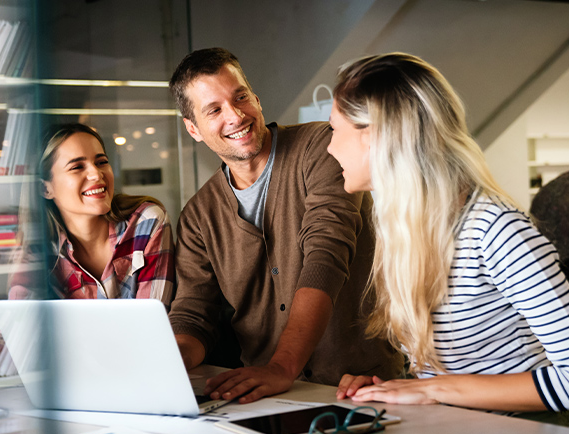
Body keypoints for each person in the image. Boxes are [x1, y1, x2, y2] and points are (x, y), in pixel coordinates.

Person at [328, 52, 569, 434]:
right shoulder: (409, 229)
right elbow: (457, 370)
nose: (329, 147)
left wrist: (432, 389)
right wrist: (394, 387)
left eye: (334, 130)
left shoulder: (495, 230)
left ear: (373, 137)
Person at [168, 48, 403, 405]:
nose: (235, 115)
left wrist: (282, 366)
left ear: (257, 100)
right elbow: (193, 313)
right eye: (214, 110)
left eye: (240, 97)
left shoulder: (323, 148)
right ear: (193, 129)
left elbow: (326, 256)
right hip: (265, 397)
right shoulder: (198, 217)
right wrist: (168, 362)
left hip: (362, 385)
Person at [0, 123, 175, 387]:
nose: (96, 174)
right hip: (79, 384)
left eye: (101, 162)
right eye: (77, 167)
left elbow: (152, 328)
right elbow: (17, 327)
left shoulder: (146, 222)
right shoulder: (37, 249)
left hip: (141, 379)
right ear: (45, 189)